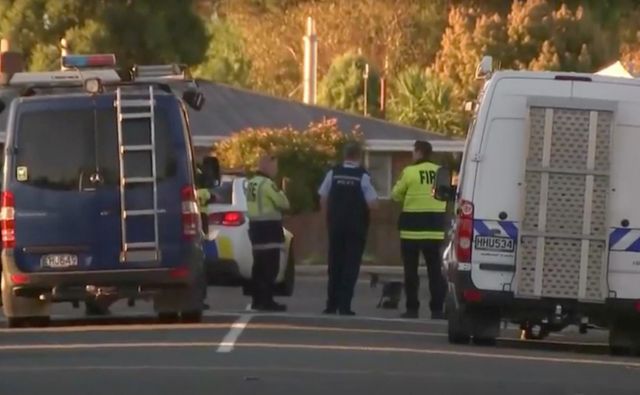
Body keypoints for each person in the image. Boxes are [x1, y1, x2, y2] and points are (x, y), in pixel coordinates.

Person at [318, 142, 378, 316]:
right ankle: (345, 306)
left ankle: (331, 305)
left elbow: (322, 197)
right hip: (356, 227)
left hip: (335, 225)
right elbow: (373, 203)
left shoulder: (333, 173)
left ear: (345, 156)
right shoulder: (362, 176)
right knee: (350, 266)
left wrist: (328, 218)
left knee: (335, 264)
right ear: (358, 156)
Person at [392, 140, 447, 320]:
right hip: (434, 228)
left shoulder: (410, 172)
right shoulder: (441, 172)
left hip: (412, 229)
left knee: (411, 271)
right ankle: (437, 309)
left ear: (418, 152)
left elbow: (395, 195)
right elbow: (447, 196)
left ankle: (412, 308)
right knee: (435, 272)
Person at [246, 153, 290, 311]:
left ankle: (257, 300)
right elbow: (283, 203)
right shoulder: (267, 184)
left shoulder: (252, 183)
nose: (276, 169)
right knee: (270, 266)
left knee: (258, 266)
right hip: (269, 228)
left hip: (255, 228)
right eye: (275, 165)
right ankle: (267, 301)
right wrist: (283, 190)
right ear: (267, 165)